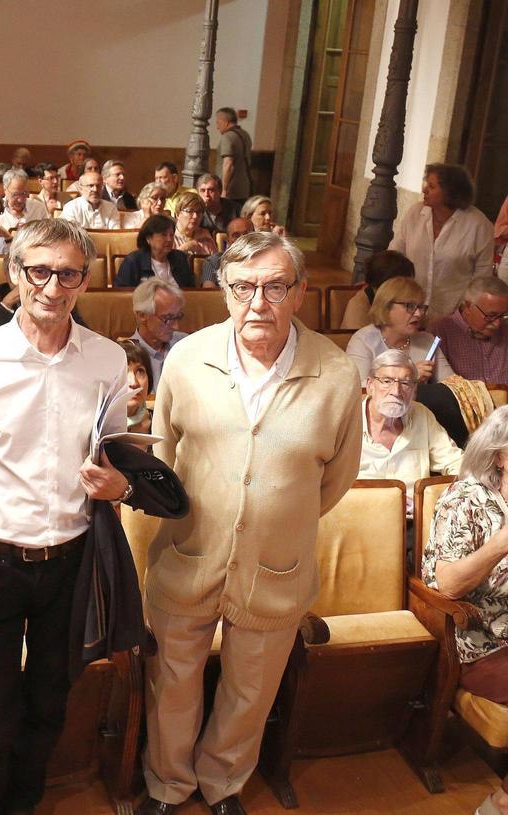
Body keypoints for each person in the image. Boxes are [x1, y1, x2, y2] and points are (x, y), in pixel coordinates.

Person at [142, 231, 362, 815]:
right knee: (173, 681)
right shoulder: (188, 359)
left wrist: (275, 515)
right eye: (242, 287)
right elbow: (164, 457)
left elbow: (336, 478)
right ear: (223, 291)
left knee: (251, 690)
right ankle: (167, 786)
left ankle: (222, 784)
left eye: (274, 287)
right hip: (189, 555)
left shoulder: (337, 374)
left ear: (301, 292)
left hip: (275, 566)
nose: (257, 302)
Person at [0, 218, 132, 815]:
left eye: (68, 274)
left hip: (70, 562)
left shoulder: (107, 360)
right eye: (39, 271)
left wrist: (118, 484)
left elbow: (116, 457)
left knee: (48, 705)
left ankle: (21, 805)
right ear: (15, 273)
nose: (52, 287)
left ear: (85, 280)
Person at [423, 405, 508, 815]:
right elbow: (449, 584)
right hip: (485, 642)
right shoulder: (465, 500)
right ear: (500, 456)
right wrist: (501, 543)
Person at [358, 349, 462, 517]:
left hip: (417, 519)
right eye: (387, 381)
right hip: (359, 519)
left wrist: (431, 502)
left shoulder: (422, 415)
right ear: (370, 385)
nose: (396, 391)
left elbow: (457, 463)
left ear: (414, 390)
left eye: (405, 383)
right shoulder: (347, 421)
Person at [390, 163, 495, 321]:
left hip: (453, 315)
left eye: (431, 186)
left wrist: (463, 312)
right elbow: (395, 254)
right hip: (410, 308)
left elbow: (482, 277)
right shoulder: (415, 213)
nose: (424, 190)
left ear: (450, 192)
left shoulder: (478, 225)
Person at [346, 277, 455, 382]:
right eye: (410, 306)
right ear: (387, 307)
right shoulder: (363, 341)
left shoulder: (427, 341)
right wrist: (408, 377)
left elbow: (453, 385)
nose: (418, 314)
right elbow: (359, 388)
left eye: (421, 307)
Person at [436, 277, 508, 383]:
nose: (497, 324)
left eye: (502, 315)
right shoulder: (444, 330)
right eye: (491, 316)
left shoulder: (505, 328)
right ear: (468, 306)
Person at [130, 277, 188, 385]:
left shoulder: (186, 343)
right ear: (142, 315)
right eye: (167, 318)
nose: (176, 327)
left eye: (177, 317)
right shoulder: (126, 356)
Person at [341, 249, 416, 329]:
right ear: (385, 284)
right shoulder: (358, 309)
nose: (409, 290)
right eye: (404, 285)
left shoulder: (396, 302)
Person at [116, 215, 195, 288]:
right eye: (163, 235)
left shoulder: (180, 258)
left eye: (171, 235)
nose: (169, 239)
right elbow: (121, 294)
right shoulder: (133, 262)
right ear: (148, 238)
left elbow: (191, 291)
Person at [202, 217, 254, 288]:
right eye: (236, 236)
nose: (242, 239)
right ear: (228, 240)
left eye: (247, 235)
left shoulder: (264, 260)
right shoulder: (214, 262)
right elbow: (209, 292)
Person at [215, 107, 253, 205]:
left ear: (225, 122)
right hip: (245, 187)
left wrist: (224, 189)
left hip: (231, 190)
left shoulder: (227, 137)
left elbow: (228, 164)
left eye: (218, 122)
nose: (217, 127)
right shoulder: (245, 135)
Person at [119, 339, 155, 433]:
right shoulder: (96, 426)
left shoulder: (159, 422)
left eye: (140, 371)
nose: (134, 383)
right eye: (123, 372)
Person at [170, 190, 218, 255]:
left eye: (199, 212)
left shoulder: (205, 236)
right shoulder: (168, 236)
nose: (195, 216)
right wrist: (186, 247)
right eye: (190, 211)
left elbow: (215, 260)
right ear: (178, 214)